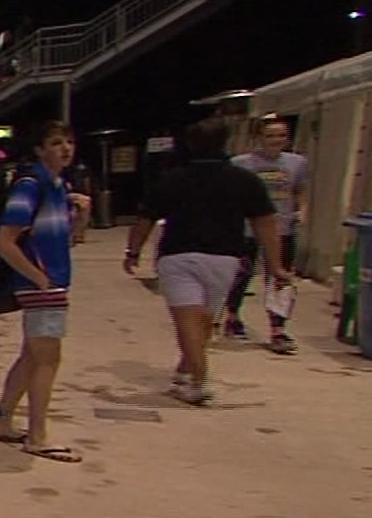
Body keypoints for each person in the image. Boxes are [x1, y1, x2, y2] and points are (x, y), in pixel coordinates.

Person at [121, 117, 285, 405]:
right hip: (224, 259)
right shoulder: (244, 180)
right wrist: (275, 265)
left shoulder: (172, 179)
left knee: (188, 322)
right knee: (204, 321)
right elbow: (266, 224)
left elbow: (145, 219)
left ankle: (198, 380)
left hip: (178, 257)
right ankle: (187, 370)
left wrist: (133, 252)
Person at [0, 120, 82, 463]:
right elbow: (5, 242)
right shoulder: (31, 185)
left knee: (32, 356)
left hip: (51, 282)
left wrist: (82, 214)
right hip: (42, 286)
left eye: (69, 142)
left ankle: (2, 420)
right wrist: (38, 278)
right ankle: (37, 436)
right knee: (47, 359)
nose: (65, 148)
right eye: (56, 142)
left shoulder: (58, 186)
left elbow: (67, 239)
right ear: (40, 150)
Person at [221, 117, 309, 353]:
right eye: (270, 135)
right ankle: (232, 316)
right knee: (242, 273)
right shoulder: (240, 163)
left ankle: (278, 329)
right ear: (258, 138)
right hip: (247, 229)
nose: (276, 140)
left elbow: (300, 190)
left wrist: (302, 211)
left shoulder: (297, 162)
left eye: (281, 135)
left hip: (282, 228)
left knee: (281, 278)